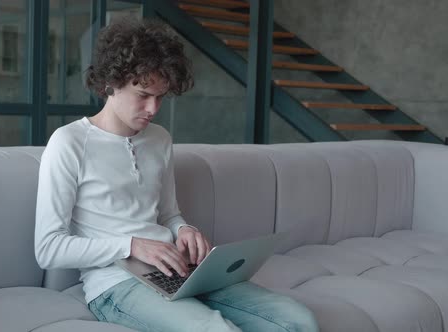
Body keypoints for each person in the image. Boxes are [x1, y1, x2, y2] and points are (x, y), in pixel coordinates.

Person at [35, 18, 319, 332]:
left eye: (160, 97)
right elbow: (48, 248)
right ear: (109, 82)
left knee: (299, 320)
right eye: (143, 94)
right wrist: (131, 246)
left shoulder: (159, 139)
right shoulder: (69, 143)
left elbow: (169, 213)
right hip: (115, 284)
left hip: (179, 270)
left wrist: (184, 229)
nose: (153, 108)